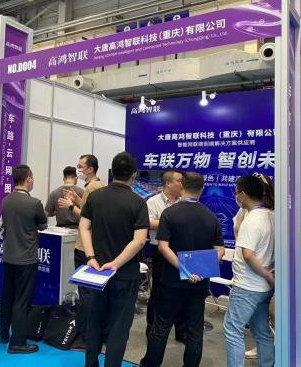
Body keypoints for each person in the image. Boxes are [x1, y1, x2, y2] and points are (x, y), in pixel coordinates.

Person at [141, 172, 225, 367]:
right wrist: (200, 270)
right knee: (194, 329)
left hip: (171, 280)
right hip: (200, 283)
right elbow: (220, 250)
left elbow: (163, 247)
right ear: (202, 189)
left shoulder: (169, 214)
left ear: (182, 186)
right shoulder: (211, 216)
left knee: (161, 326)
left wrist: (185, 269)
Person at [79, 152, 150, 367]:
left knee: (95, 321)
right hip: (125, 274)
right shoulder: (138, 203)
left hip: (97, 271)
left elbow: (84, 227)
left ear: (112, 171)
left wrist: (90, 256)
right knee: (119, 328)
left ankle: (91, 364)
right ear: (133, 175)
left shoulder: (95, 197)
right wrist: (117, 263)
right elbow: (139, 241)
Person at [223, 175, 275, 367]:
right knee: (261, 330)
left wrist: (267, 274)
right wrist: (269, 276)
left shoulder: (252, 220)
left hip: (247, 286)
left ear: (243, 194)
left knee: (232, 329)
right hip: (263, 288)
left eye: (236, 192)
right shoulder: (271, 216)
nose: (235, 196)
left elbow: (248, 254)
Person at [0, 164, 48, 354]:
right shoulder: (34, 203)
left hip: (9, 256)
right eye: (32, 177)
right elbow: (43, 224)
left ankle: (4, 333)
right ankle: (18, 342)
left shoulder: (6, 200)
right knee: (22, 300)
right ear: (28, 179)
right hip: (26, 258)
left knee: (7, 296)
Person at [58, 154, 105, 344]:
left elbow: (87, 218)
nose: (78, 169)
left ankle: (85, 334)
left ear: (90, 169)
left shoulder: (92, 187)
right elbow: (89, 209)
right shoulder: (98, 186)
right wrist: (78, 199)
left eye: (80, 166)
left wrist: (71, 206)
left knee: (85, 293)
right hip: (95, 246)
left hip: (85, 247)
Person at [145, 170, 184, 341]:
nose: (182, 184)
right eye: (179, 180)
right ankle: (152, 330)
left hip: (181, 251)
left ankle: (181, 331)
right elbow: (149, 223)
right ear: (168, 183)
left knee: (182, 292)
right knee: (158, 292)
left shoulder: (184, 202)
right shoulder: (153, 201)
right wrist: (172, 221)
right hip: (160, 252)